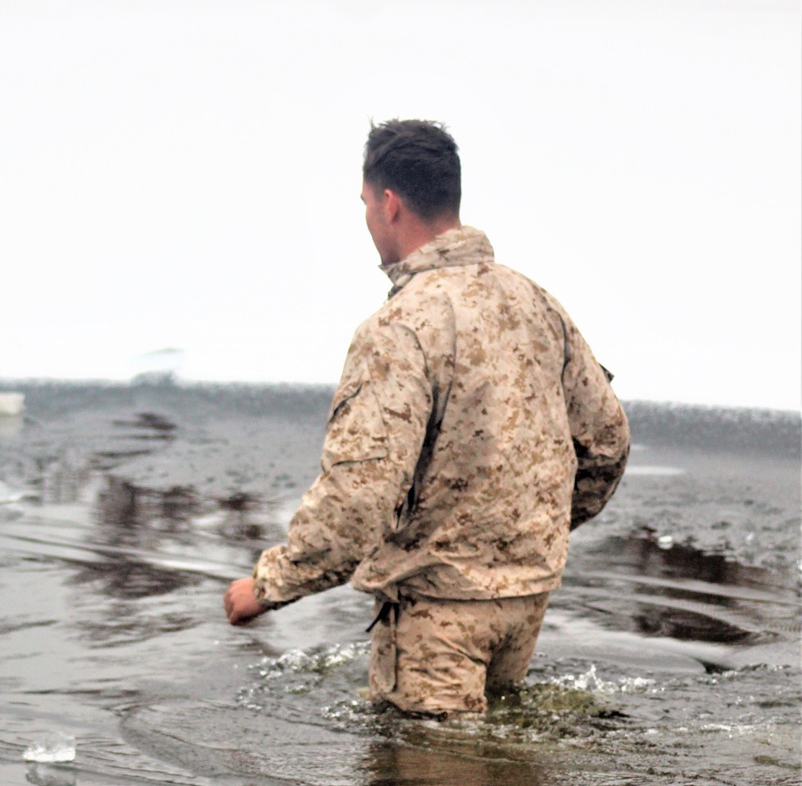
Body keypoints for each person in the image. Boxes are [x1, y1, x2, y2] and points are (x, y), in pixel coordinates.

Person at [223, 119, 630, 716]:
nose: (365, 219)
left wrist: (267, 587)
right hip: (526, 599)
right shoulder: (536, 303)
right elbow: (608, 443)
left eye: (364, 204)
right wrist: (522, 535)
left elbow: (359, 495)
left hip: (436, 613)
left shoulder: (399, 328)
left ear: (389, 204)